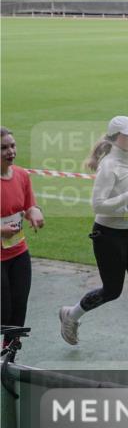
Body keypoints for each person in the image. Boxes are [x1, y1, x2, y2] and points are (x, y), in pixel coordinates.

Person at [59, 116, 128, 360]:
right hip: (109, 235)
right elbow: (98, 205)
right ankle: (71, 315)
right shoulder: (108, 166)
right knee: (112, 290)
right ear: (117, 137)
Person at [1, 127, 44, 351]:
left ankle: (10, 355)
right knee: (4, 311)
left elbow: (29, 205)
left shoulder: (21, 175)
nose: (11, 151)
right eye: (4, 148)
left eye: (12, 146)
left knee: (19, 308)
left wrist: (35, 212)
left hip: (18, 252)